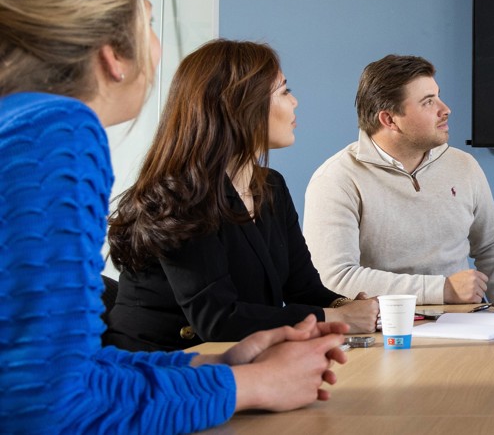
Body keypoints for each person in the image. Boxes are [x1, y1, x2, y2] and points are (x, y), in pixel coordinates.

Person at [0, 0, 348, 432]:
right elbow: (45, 409)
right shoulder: (55, 131)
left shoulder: (21, 127)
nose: (158, 48)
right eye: (149, 23)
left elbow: (67, 375)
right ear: (113, 55)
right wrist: (250, 386)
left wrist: (211, 366)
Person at [104, 39, 379, 352]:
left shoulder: (271, 187)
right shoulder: (179, 197)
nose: (295, 102)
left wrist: (348, 306)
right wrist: (337, 318)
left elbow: (303, 289)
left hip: (227, 360)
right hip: (157, 365)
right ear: (239, 107)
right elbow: (218, 320)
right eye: (284, 91)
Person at [304, 55, 494, 304]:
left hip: (466, 320)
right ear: (389, 120)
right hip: (383, 324)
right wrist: (441, 290)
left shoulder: (464, 165)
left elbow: (493, 247)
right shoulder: (336, 179)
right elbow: (334, 278)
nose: (445, 109)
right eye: (428, 102)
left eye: (438, 96)